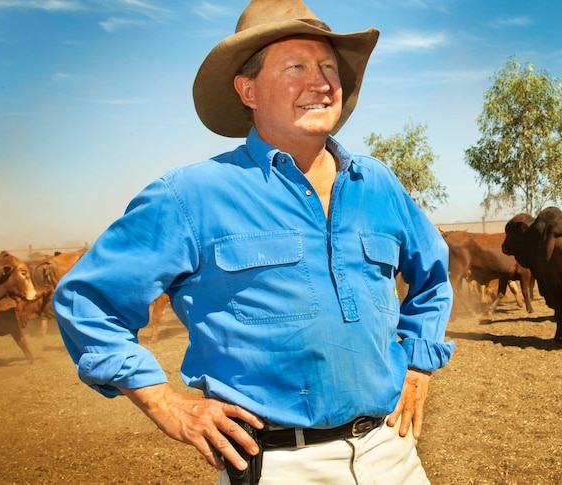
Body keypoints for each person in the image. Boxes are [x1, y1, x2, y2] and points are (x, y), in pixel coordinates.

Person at [53, 1, 454, 483]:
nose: (322, 81)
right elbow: (86, 301)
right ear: (247, 90)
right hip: (278, 465)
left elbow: (432, 278)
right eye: (296, 67)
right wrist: (166, 405)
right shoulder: (192, 195)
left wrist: (419, 364)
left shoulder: (378, 185)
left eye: (329, 66)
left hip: (392, 453)